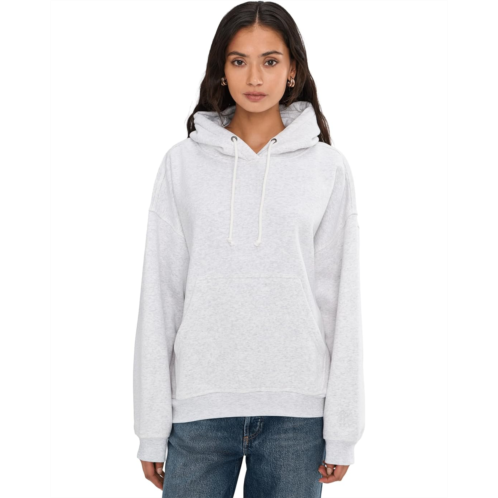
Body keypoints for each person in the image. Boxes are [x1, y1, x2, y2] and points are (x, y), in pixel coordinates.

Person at [133, 2, 365, 496]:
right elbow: (160, 296)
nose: (254, 77)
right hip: (197, 412)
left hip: (297, 417)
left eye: (270, 61)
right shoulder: (182, 164)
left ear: (293, 69)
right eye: (239, 61)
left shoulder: (327, 168)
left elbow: (340, 302)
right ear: (221, 69)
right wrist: (151, 427)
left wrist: (342, 431)